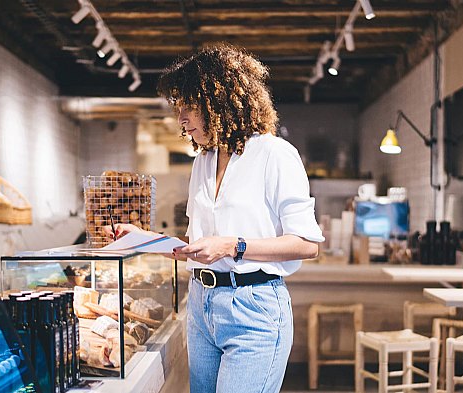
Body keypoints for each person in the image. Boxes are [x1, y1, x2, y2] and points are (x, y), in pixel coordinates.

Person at [104, 44, 324, 393]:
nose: (182, 120)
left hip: (253, 308)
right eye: (179, 109)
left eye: (189, 107)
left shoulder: (274, 154)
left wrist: (233, 246)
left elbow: (307, 244)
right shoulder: (203, 162)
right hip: (201, 306)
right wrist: (141, 238)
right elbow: (195, 247)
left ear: (219, 102)